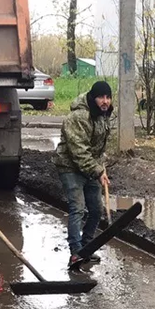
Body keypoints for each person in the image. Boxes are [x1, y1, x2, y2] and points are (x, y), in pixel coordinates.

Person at [54, 80, 113, 269]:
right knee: (77, 208)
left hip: (90, 166)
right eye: (101, 97)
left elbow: (97, 148)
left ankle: (87, 246)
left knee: (96, 208)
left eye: (108, 97)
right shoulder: (79, 117)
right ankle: (75, 252)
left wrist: (101, 168)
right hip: (70, 166)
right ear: (92, 98)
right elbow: (79, 151)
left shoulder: (103, 115)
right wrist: (97, 171)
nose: (105, 101)